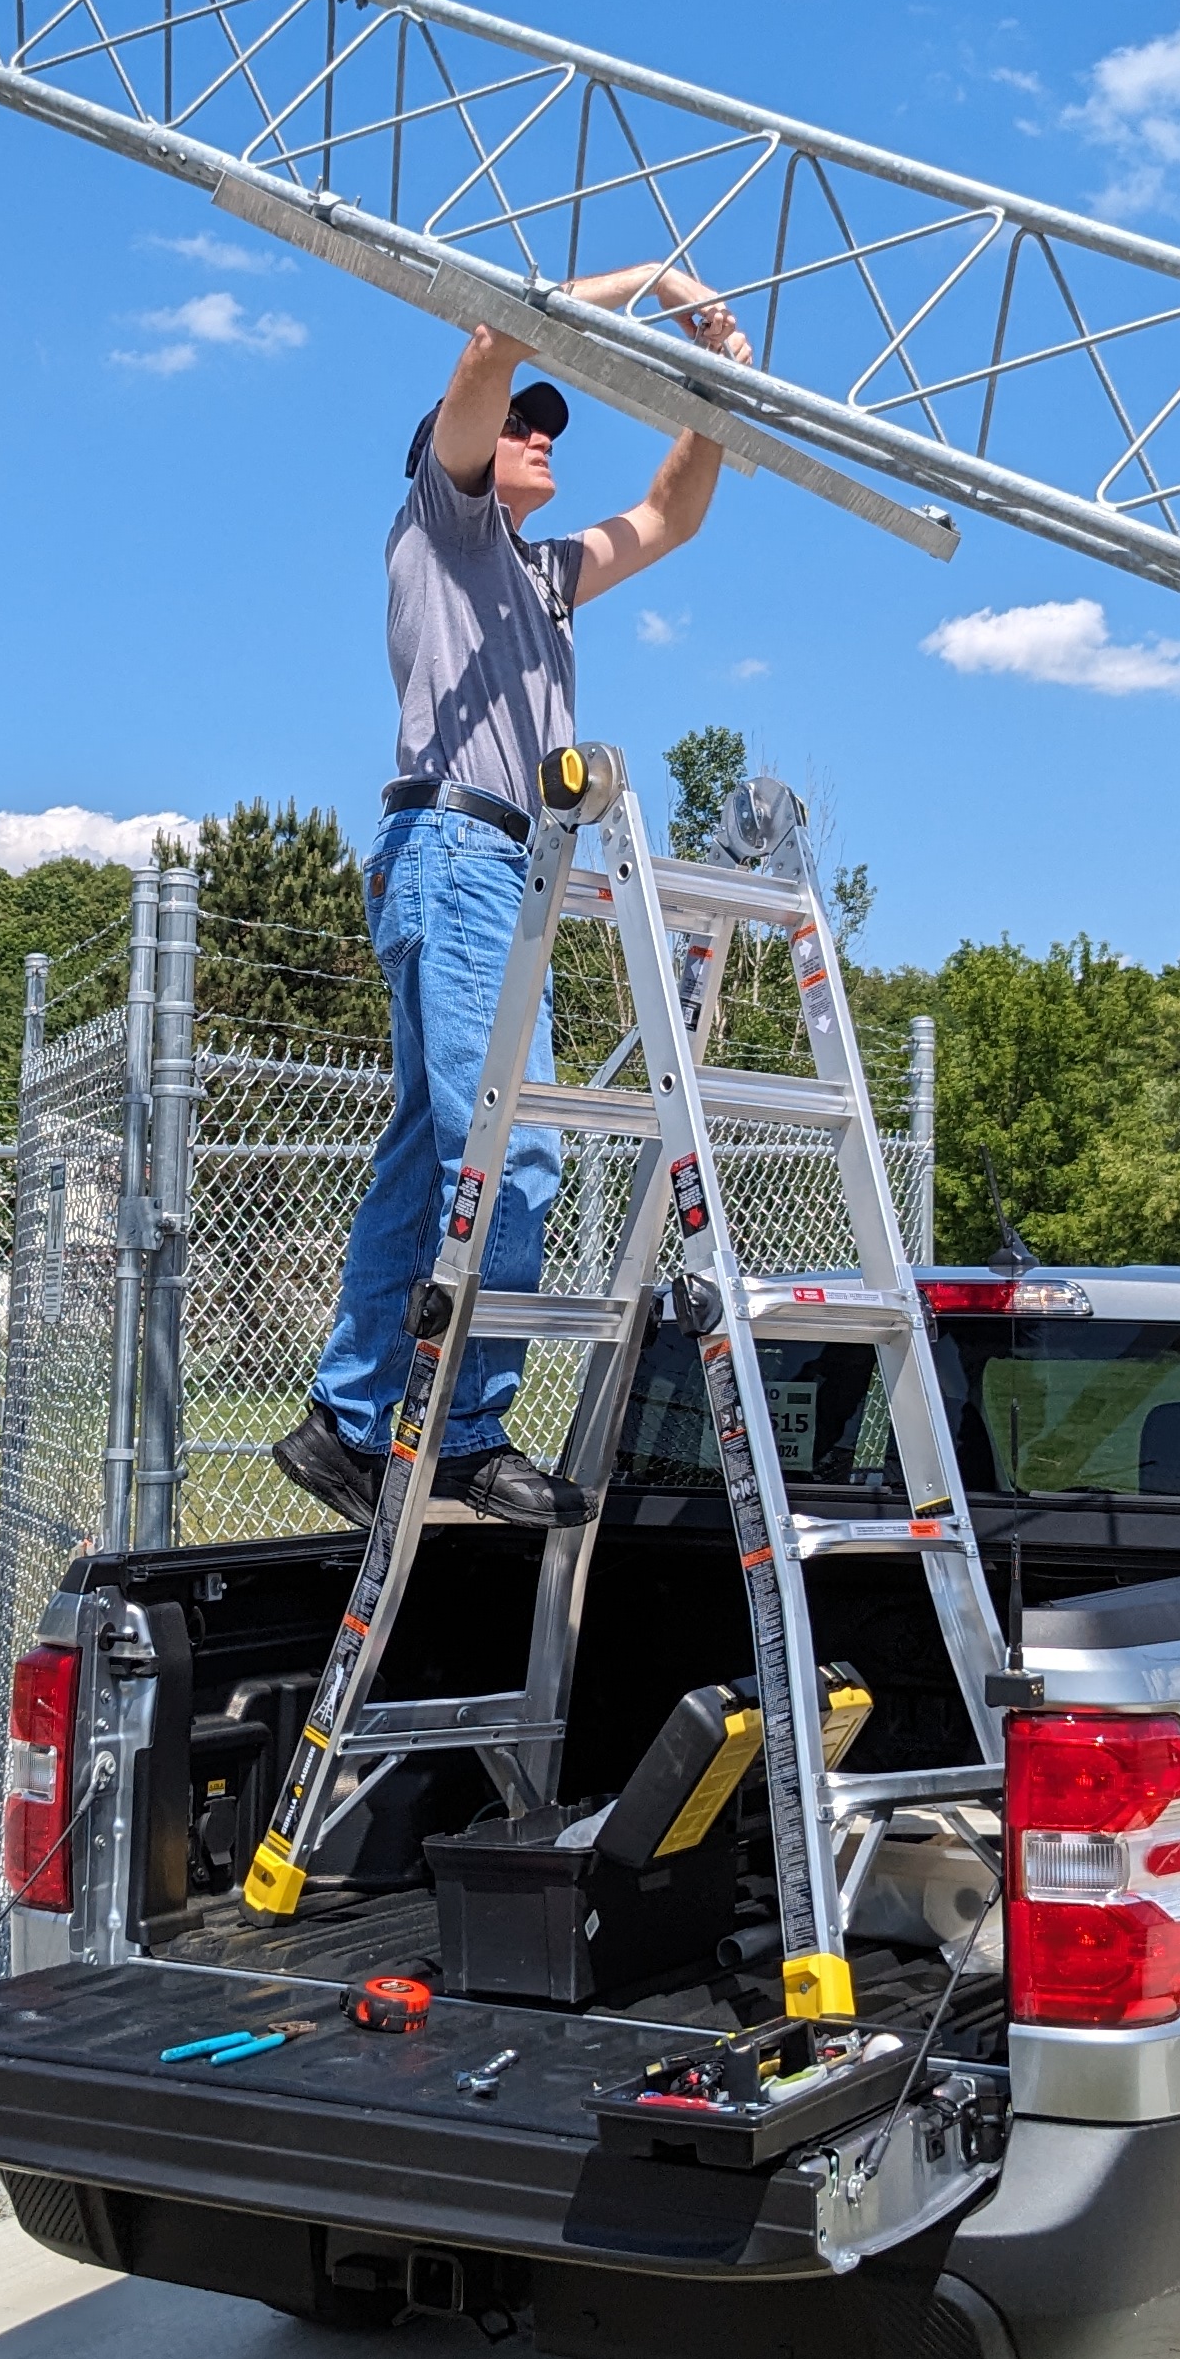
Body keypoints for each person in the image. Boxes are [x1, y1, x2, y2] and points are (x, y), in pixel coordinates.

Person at [273, 261, 755, 1529]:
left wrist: (715, 385)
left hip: (497, 866)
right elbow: (490, 346)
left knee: (426, 1162)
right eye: (524, 427)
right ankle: (467, 1430)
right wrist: (647, 282)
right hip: (458, 847)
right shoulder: (445, 526)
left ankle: (348, 1418)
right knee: (514, 1152)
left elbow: (671, 515)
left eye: (555, 430)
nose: (541, 438)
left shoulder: (542, 578)